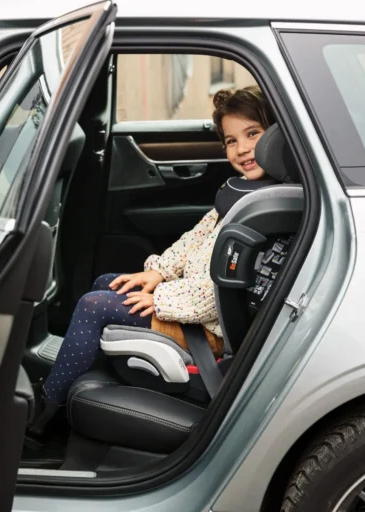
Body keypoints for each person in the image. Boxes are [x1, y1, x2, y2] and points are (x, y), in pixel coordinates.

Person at [30, 85, 277, 433]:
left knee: (94, 305)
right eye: (231, 141)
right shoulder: (241, 192)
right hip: (193, 302)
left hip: (210, 329)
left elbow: (212, 297)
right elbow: (194, 240)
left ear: (276, 137)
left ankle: (45, 412)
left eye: (253, 134)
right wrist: (158, 273)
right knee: (108, 283)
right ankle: (76, 377)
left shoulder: (269, 209)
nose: (242, 148)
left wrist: (158, 299)